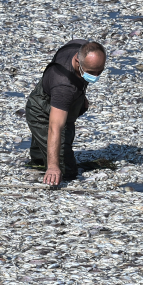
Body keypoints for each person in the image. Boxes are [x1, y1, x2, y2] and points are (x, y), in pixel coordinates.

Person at [25, 39, 107, 185]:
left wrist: (81, 95)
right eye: (91, 72)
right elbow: (55, 127)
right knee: (66, 170)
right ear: (77, 60)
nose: (95, 76)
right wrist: (53, 167)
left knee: (42, 154)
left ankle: (40, 154)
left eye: (99, 71)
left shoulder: (78, 46)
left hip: (53, 92)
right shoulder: (64, 87)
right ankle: (44, 160)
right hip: (41, 109)